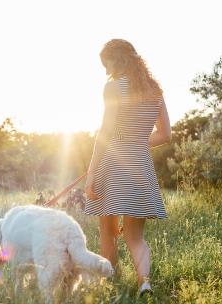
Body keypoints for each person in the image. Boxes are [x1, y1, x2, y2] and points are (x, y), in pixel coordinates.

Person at [84, 39, 171, 297]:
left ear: (117, 59)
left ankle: (110, 284)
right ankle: (144, 282)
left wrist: (90, 175)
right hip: (141, 166)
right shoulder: (155, 89)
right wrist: (135, 142)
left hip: (112, 164)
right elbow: (165, 134)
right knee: (135, 236)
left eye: (106, 63)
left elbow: (105, 133)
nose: (105, 69)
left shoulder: (113, 88)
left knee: (107, 230)